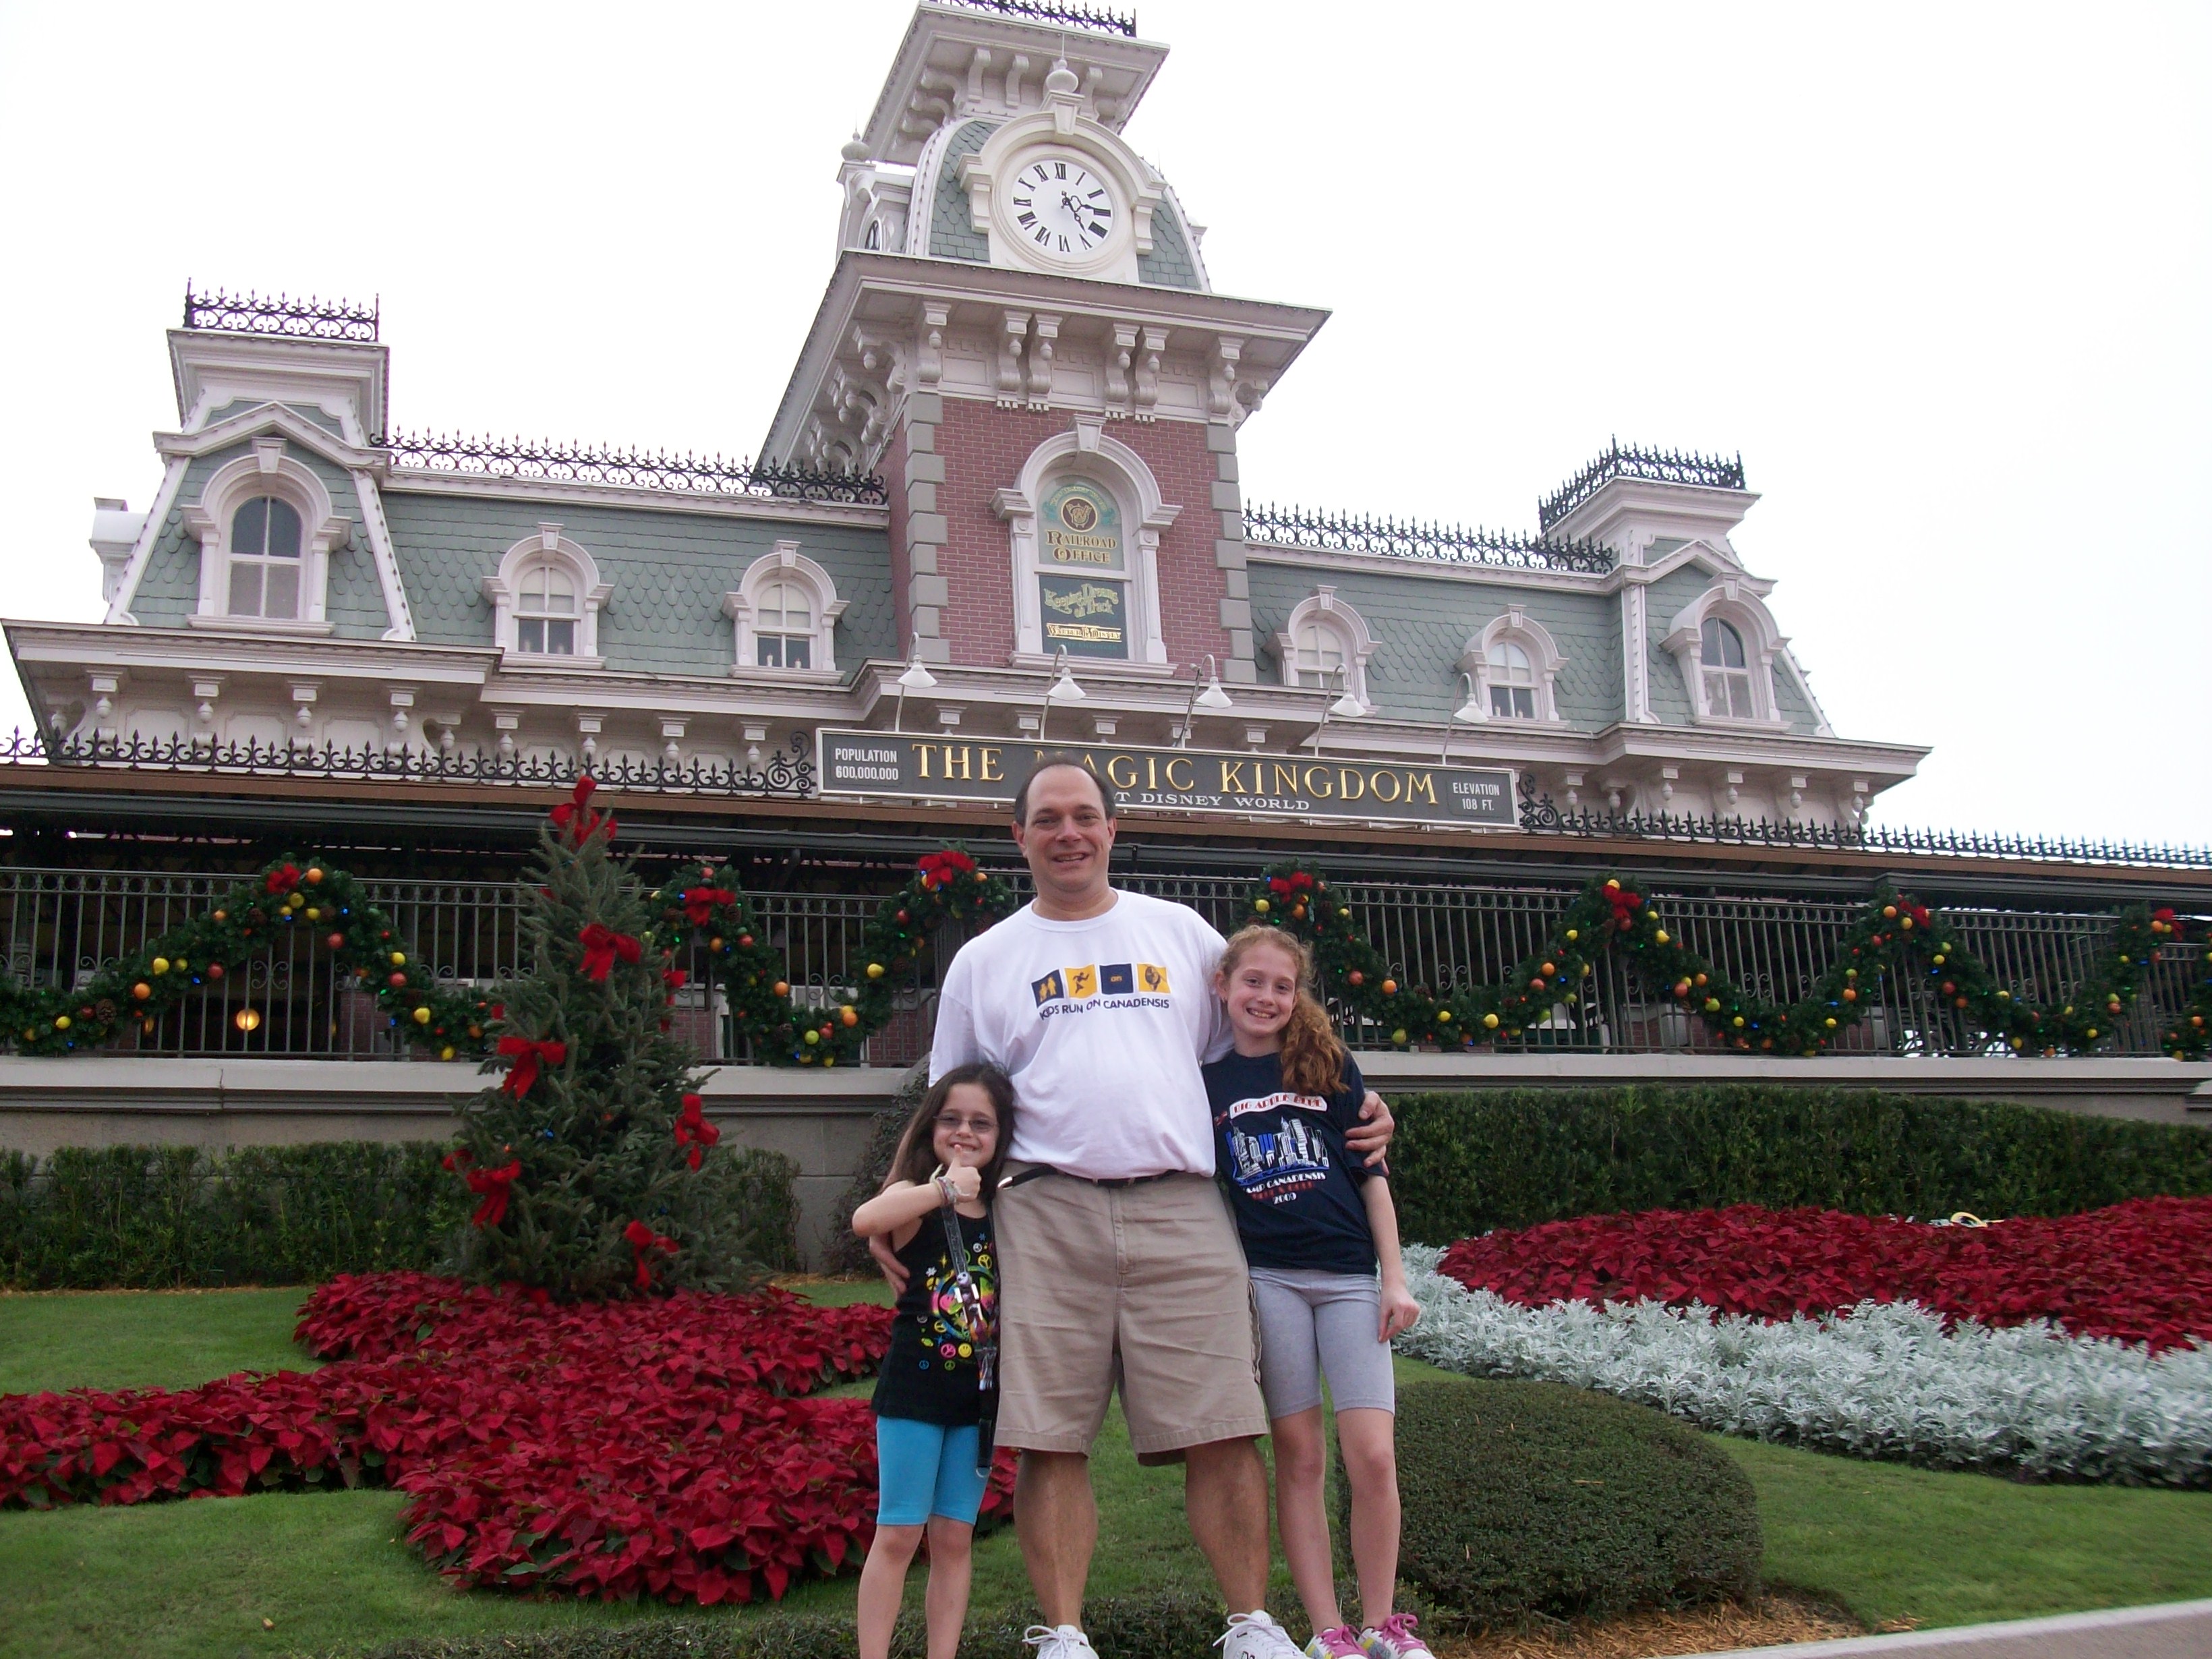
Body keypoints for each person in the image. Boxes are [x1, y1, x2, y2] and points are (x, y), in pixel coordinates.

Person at [896, 755, 1396, 1659]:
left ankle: (1248, 1623)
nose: (1068, 833)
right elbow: (952, 1110)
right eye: (1046, 819)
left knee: (1224, 1426)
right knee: (1051, 1437)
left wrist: (1359, 1104)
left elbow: (1266, 1046)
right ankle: (1065, 1634)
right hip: (1044, 1212)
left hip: (1183, 1208)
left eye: (1084, 815)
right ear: (1019, 837)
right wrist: (921, 1211)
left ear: (1113, 830)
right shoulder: (985, 961)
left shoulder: (1183, 936)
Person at [1204, 926, 1430, 1659]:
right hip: (1268, 1282)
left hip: (1347, 1281)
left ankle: (1382, 1624)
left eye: (1281, 985)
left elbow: (1373, 1178)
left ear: (1295, 995)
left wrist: (1393, 1279)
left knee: (1371, 1455)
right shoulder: (1206, 1083)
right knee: (1298, 1456)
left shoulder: (1327, 1065)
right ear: (1223, 987)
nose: (1266, 997)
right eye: (1252, 982)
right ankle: (1329, 1631)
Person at [850, 1063, 1016, 1659]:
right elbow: (866, 1220)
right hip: (914, 1392)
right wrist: (946, 1188)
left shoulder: (1005, 1210)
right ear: (930, 1128)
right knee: (897, 1533)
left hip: (978, 1400)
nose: (965, 1132)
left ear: (1001, 1136)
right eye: (951, 1120)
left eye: (981, 1123)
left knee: (953, 1538)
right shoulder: (913, 1197)